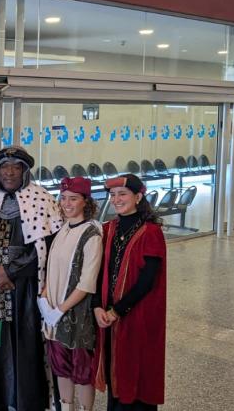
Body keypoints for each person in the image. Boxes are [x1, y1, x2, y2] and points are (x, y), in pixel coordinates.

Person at [0, 146, 64, 411]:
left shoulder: (42, 199)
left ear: (25, 171)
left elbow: (45, 246)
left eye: (15, 167)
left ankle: (22, 400)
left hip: (23, 285)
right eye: (4, 167)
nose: (9, 172)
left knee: (22, 342)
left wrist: (9, 272)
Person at [92, 174, 166, 411]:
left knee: (137, 372)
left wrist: (118, 310)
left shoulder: (150, 231)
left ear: (138, 196)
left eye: (122, 194)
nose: (116, 199)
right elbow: (99, 271)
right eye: (112, 195)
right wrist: (98, 307)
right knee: (116, 371)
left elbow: (148, 279)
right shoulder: (108, 229)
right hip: (109, 315)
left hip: (137, 315)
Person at [41, 177, 103, 411]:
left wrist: (61, 309)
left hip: (76, 313)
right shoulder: (62, 228)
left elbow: (87, 282)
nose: (66, 203)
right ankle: (66, 408)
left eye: (73, 199)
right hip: (54, 313)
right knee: (61, 367)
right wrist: (46, 298)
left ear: (85, 201)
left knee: (82, 371)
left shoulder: (91, 234)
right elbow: (52, 268)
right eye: (63, 198)